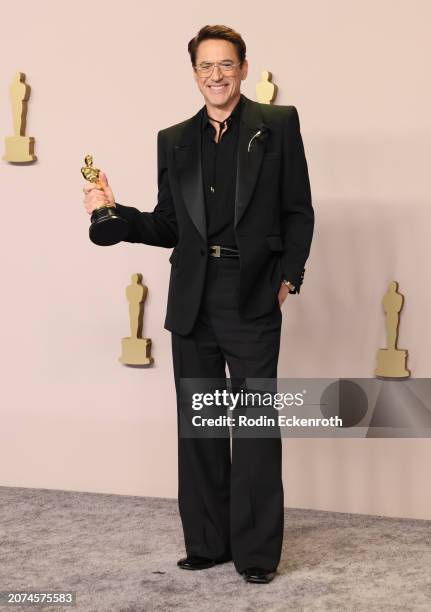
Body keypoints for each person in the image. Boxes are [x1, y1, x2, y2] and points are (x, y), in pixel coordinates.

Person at [83, 24, 314, 584]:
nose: (217, 75)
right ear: (194, 73)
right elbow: (168, 224)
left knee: (255, 427)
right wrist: (112, 212)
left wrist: (288, 277)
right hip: (192, 296)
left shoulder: (277, 125)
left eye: (226, 64)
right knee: (201, 425)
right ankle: (208, 543)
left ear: (242, 67)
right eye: (206, 66)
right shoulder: (174, 138)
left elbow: (299, 209)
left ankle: (257, 555)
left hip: (251, 292)